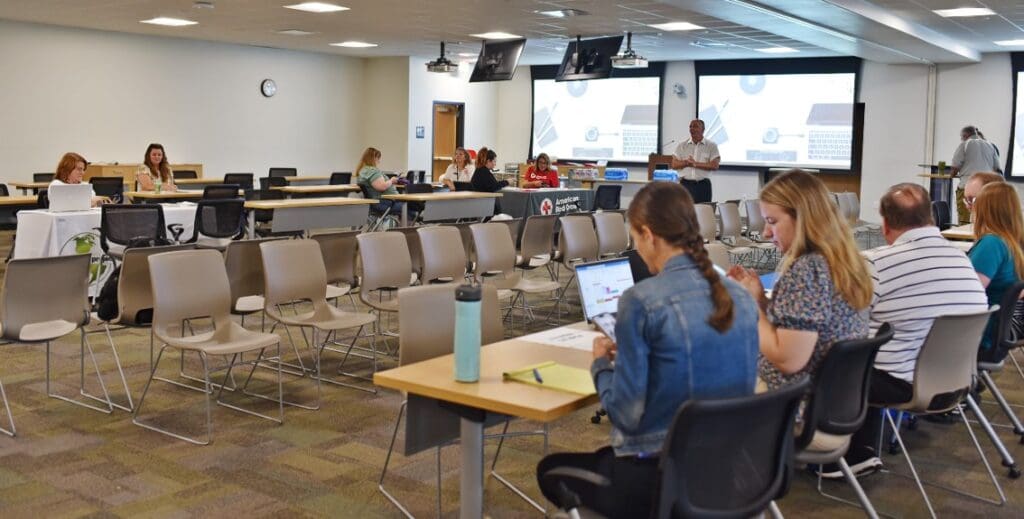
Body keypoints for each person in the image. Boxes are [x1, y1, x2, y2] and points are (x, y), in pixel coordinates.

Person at [536, 182, 758, 519]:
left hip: (655, 479)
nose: (636, 249)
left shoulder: (642, 301)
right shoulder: (740, 295)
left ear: (649, 235)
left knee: (550, 471)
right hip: (725, 473)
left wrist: (601, 366)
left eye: (635, 239)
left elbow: (625, 414)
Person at [823, 183, 987, 479]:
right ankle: (861, 449)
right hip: (956, 382)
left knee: (828, 358)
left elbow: (837, 325)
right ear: (931, 218)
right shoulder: (963, 261)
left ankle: (840, 453)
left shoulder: (876, 263)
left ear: (885, 225)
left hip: (901, 384)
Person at [728, 170, 870, 391]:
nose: (765, 233)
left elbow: (788, 360)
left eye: (772, 221)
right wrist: (760, 300)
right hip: (832, 392)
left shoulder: (808, 270)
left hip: (789, 402)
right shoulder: (841, 262)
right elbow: (799, 323)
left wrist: (748, 304)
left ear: (802, 218)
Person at [969, 181, 1024, 362]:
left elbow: (968, 292)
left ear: (985, 210)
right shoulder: (1012, 244)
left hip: (979, 336)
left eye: (974, 202)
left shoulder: (992, 244)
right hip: (995, 334)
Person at [952, 125, 1000, 224]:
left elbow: (955, 167)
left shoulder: (964, 145)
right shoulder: (990, 145)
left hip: (967, 187)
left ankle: (964, 238)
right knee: (984, 218)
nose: (962, 139)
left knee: (964, 219)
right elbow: (996, 168)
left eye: (962, 137)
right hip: (986, 189)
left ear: (965, 135)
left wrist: (952, 174)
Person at [670, 119, 720, 203]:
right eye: (690, 126)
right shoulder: (682, 146)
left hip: (703, 186)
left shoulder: (711, 146)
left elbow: (715, 165)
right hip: (685, 185)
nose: (692, 129)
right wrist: (686, 163)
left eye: (695, 126)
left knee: (704, 212)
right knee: (685, 212)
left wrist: (695, 164)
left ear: (703, 130)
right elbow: (674, 164)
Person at [355, 147, 404, 222]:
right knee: (408, 206)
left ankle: (404, 228)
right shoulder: (372, 170)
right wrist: (391, 180)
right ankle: (408, 230)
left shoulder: (363, 171)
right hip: (385, 203)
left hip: (379, 202)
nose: (379, 161)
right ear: (373, 158)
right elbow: (382, 187)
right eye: (378, 158)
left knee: (409, 206)